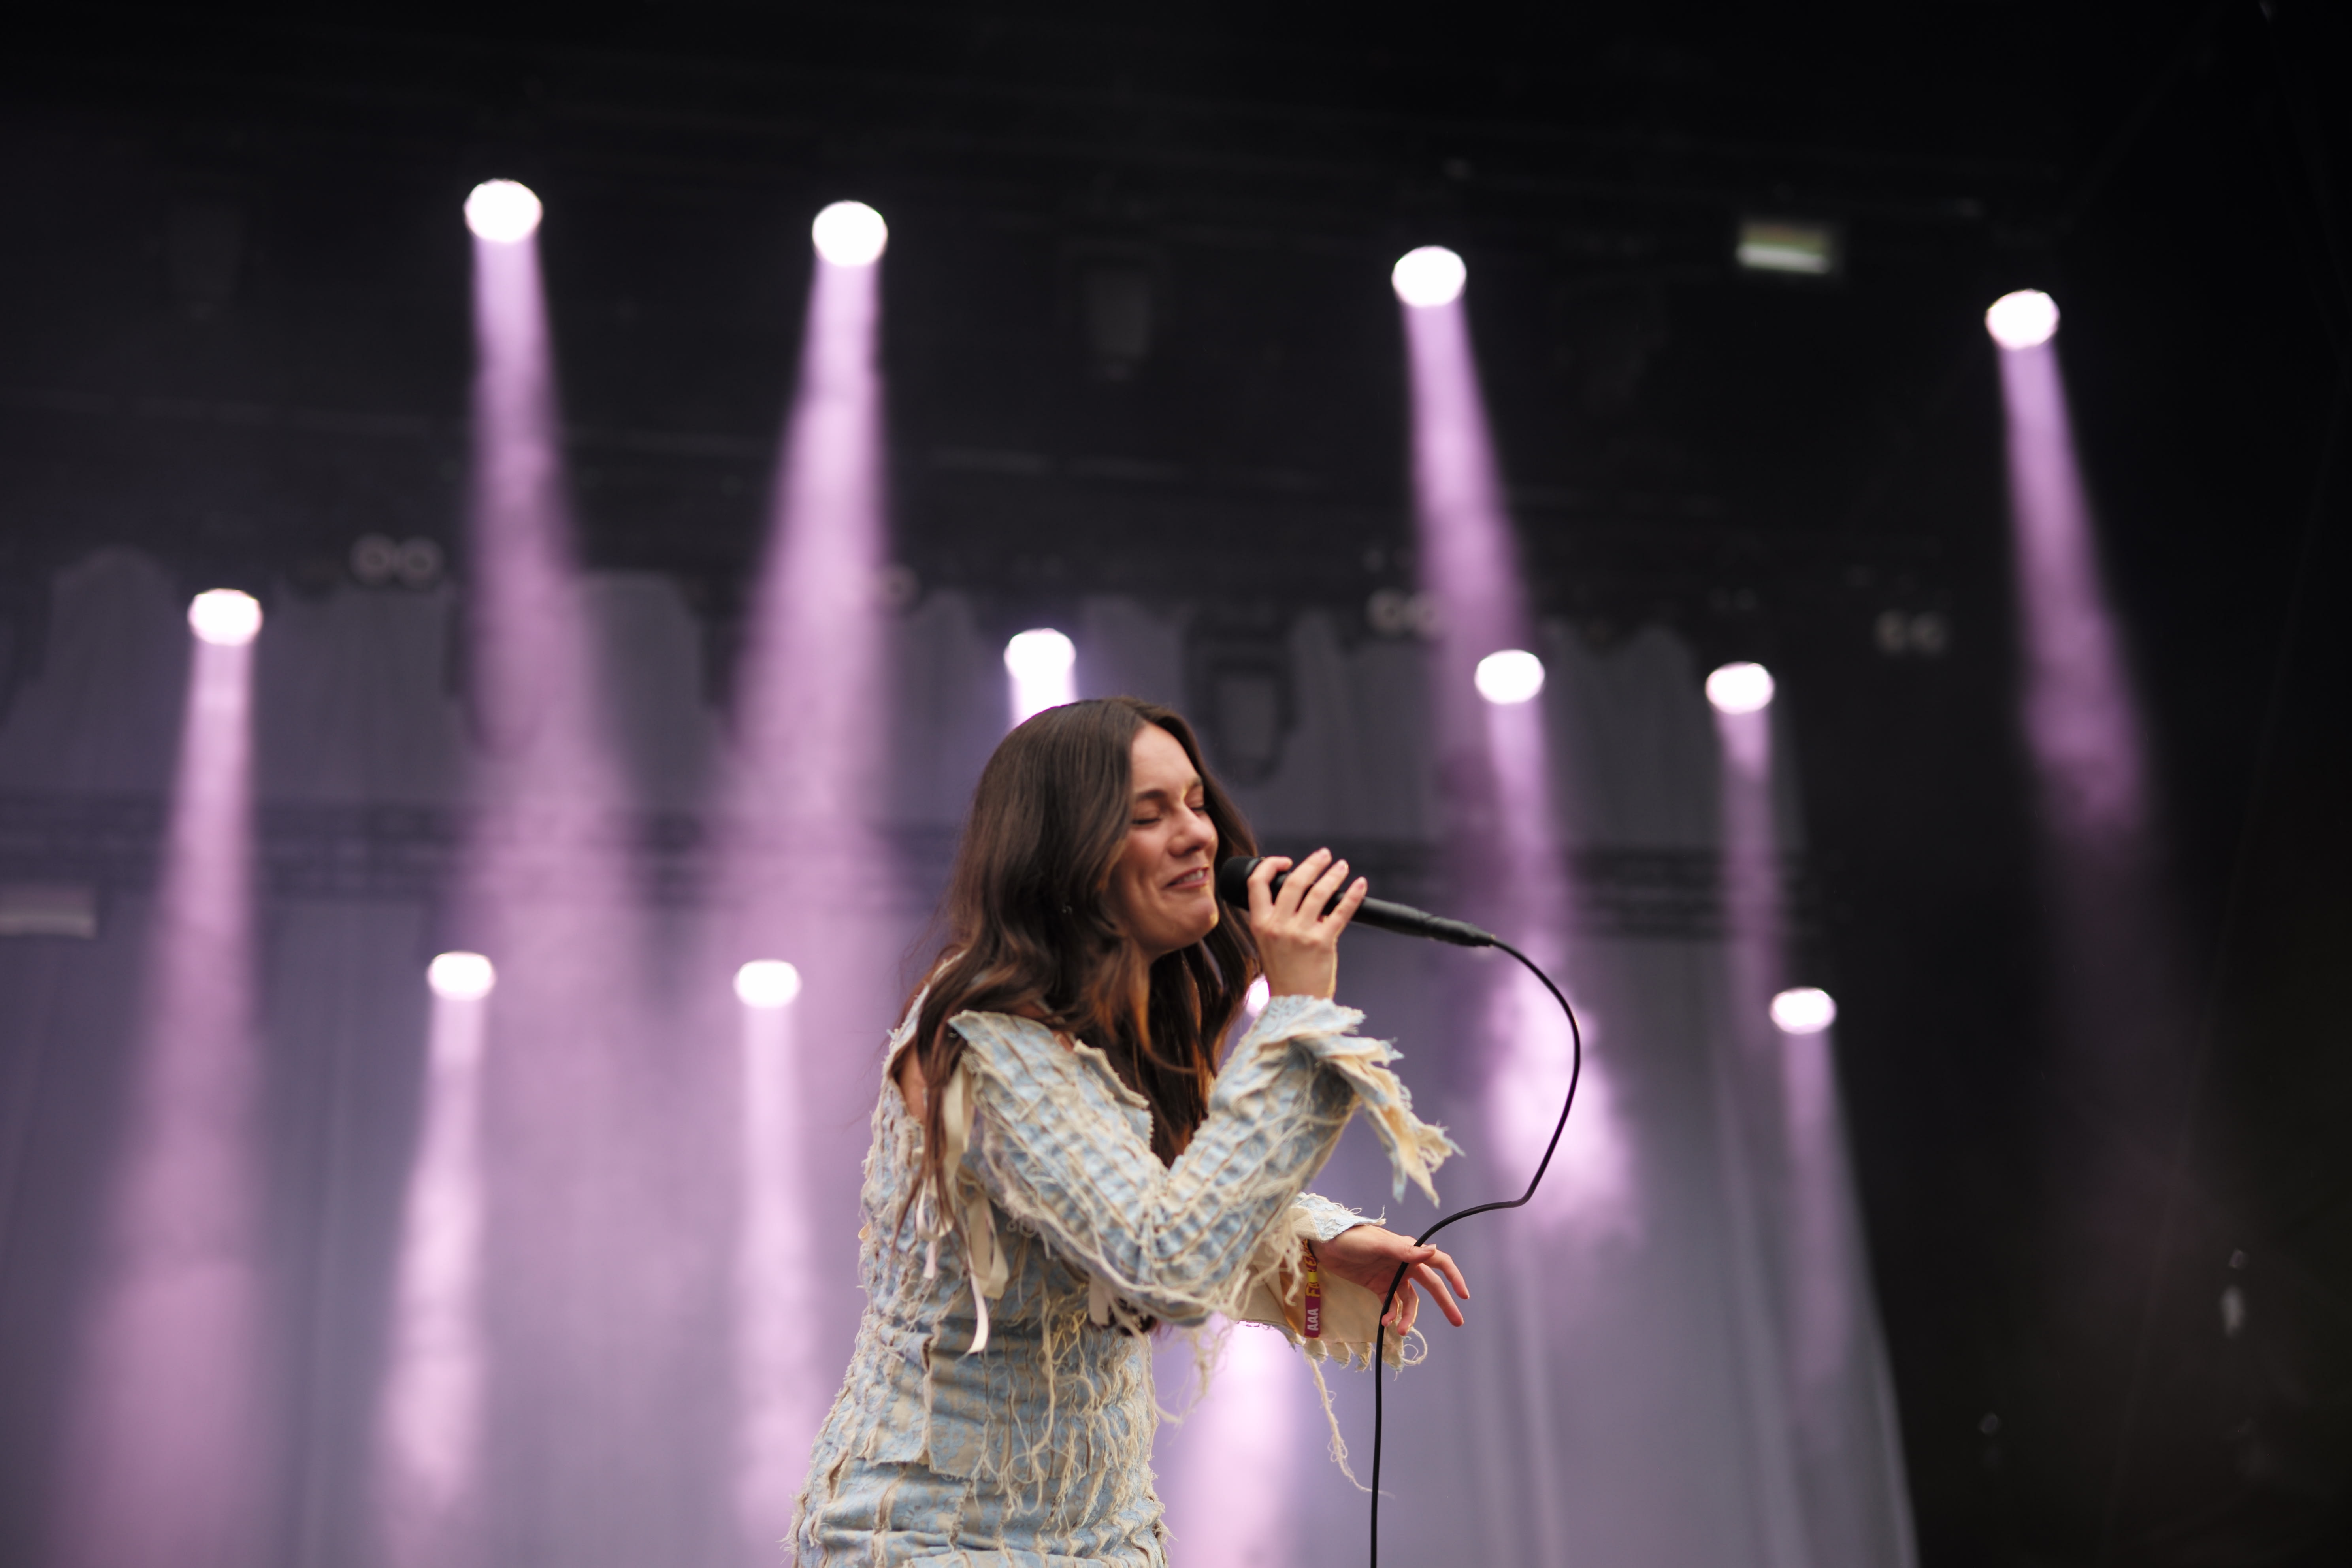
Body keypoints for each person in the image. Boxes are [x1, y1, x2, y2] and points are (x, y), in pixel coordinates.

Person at [791, 697, 1468, 1566]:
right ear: (1062, 857)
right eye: (1149, 817)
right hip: (933, 1543)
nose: (1197, 835)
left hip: (1103, 1539)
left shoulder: (1110, 1033)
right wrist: (1300, 1014)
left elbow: (1138, 1193)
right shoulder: (987, 1043)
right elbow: (1162, 1260)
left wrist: (1312, 1241)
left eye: (1196, 803)